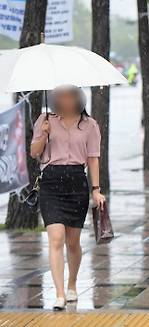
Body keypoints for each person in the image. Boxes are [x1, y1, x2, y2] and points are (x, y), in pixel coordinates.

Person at [29, 86, 106, 311]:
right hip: (51, 182)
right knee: (56, 239)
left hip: (76, 182)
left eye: (70, 95)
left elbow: (93, 158)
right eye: (61, 95)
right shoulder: (45, 119)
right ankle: (60, 294)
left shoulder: (89, 125)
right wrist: (43, 134)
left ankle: (72, 284)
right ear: (54, 98)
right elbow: (34, 152)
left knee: (73, 242)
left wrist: (95, 189)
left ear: (78, 98)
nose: (65, 99)